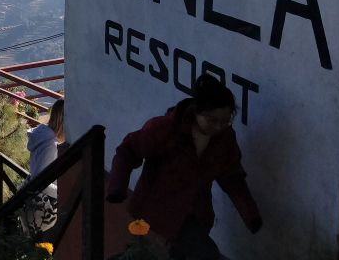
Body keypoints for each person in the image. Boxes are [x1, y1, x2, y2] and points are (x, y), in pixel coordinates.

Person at [105, 74, 263, 259]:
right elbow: (128, 150)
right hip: (156, 211)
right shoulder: (165, 129)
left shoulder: (225, 139)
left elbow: (231, 176)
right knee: (204, 255)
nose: (218, 127)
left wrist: (250, 215)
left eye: (225, 121)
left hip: (196, 214)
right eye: (212, 120)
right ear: (197, 112)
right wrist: (117, 187)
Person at [24, 97, 64, 232]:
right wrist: (62, 192)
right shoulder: (50, 145)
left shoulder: (42, 136)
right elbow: (41, 181)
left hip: (32, 199)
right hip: (43, 207)